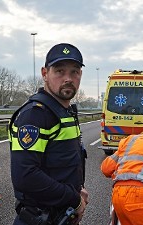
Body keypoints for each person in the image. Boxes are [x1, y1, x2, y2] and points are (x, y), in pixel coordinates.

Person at [9, 43, 88, 225]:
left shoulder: (65, 111)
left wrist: (79, 189)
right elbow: (26, 176)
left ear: (80, 75)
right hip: (39, 218)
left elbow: (66, 163)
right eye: (60, 71)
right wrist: (74, 199)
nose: (68, 78)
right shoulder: (35, 115)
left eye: (74, 72)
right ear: (45, 74)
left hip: (62, 215)